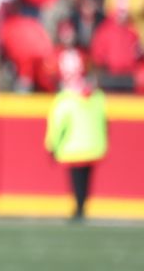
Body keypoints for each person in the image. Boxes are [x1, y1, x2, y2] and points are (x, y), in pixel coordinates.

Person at [45, 53, 109, 221]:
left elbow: (58, 124)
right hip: (94, 145)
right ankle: (81, 206)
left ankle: (79, 208)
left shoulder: (65, 98)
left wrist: (51, 146)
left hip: (73, 147)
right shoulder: (97, 95)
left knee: (77, 181)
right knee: (85, 181)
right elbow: (104, 120)